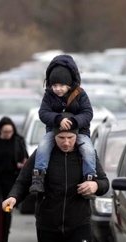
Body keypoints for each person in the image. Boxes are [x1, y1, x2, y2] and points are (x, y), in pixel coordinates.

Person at [2, 120, 109, 242]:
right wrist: (13, 197)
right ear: (53, 137)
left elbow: (104, 183)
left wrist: (95, 185)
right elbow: (23, 181)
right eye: (61, 138)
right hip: (48, 226)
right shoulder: (42, 154)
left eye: (70, 138)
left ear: (76, 137)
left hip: (79, 225)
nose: (66, 143)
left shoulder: (86, 155)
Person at [30, 55, 96, 200]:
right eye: (54, 86)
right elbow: (43, 113)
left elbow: (88, 113)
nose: (58, 89)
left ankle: (89, 178)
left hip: (80, 132)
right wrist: (58, 119)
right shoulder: (48, 96)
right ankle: (38, 177)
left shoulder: (80, 94)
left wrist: (73, 122)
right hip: (54, 132)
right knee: (43, 146)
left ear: (68, 84)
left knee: (88, 150)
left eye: (61, 85)